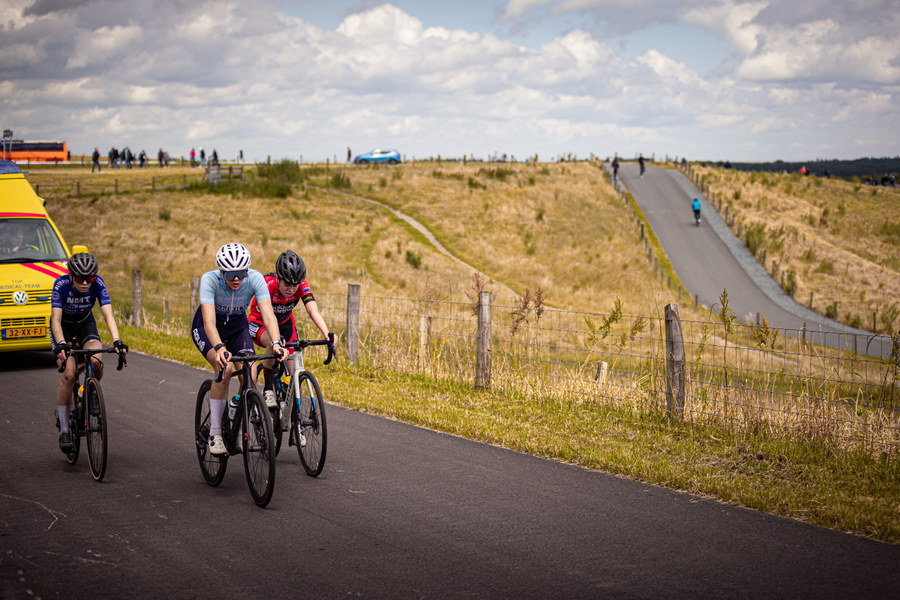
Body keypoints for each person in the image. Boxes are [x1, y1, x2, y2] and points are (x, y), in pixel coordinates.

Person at [190, 243, 288, 455]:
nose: (236, 279)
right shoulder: (210, 279)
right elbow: (208, 321)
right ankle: (215, 433)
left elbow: (268, 315)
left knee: (250, 374)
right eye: (231, 274)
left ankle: (238, 415)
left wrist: (277, 343)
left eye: (241, 274)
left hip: (237, 326)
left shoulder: (255, 279)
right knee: (223, 368)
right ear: (222, 271)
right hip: (210, 326)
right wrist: (218, 347)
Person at [50, 252, 127, 452]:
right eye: (80, 278)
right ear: (71, 276)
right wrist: (60, 344)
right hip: (63, 329)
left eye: (89, 278)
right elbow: (55, 320)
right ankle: (65, 429)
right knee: (68, 373)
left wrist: (117, 340)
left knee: (96, 361)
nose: (85, 283)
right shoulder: (60, 285)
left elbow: (108, 313)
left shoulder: (98, 283)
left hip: (85, 324)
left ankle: (91, 391)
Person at [247, 250, 335, 411]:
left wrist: (326, 333)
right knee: (274, 342)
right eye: (287, 284)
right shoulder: (267, 284)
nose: (291, 289)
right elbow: (268, 319)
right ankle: (268, 388)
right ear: (278, 278)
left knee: (294, 377)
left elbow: (312, 310)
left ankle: (296, 422)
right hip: (260, 323)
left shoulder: (301, 285)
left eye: (295, 285)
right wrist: (275, 341)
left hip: (285, 324)